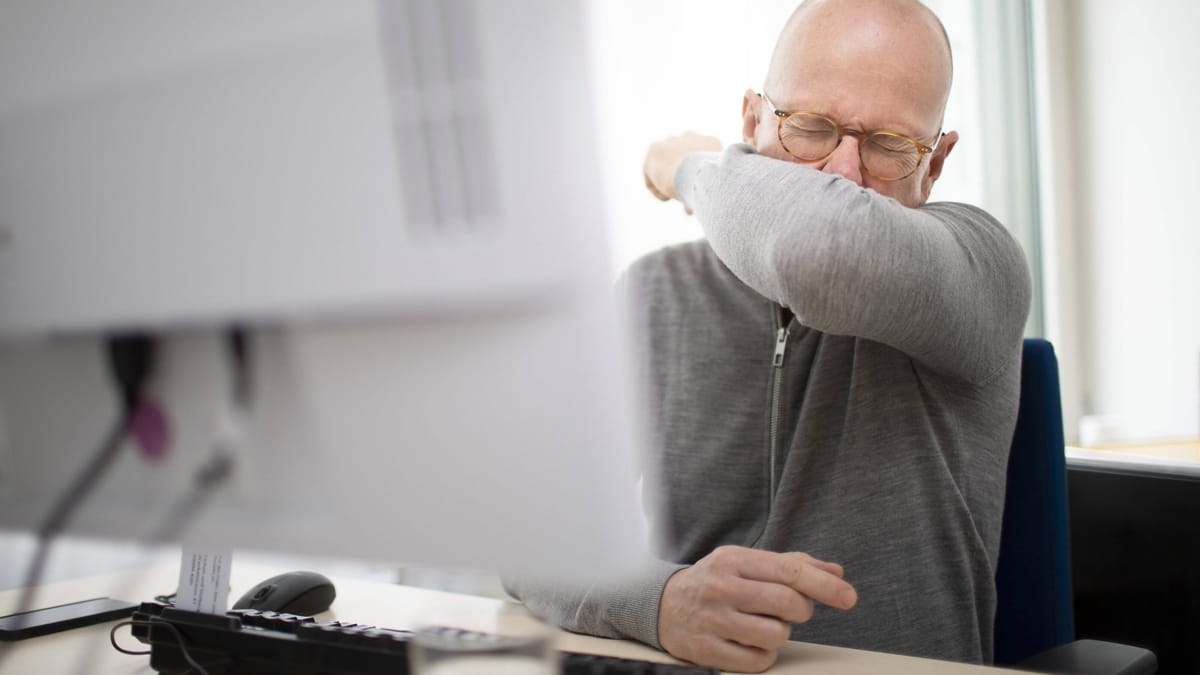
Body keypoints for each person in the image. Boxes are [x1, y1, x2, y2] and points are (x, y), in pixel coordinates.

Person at [505, 0, 1031, 671]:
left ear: (936, 162)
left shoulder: (982, 266)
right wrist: (661, 602)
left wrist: (689, 168)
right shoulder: (655, 291)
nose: (845, 175)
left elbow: (824, 245)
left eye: (891, 146)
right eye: (810, 128)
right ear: (751, 122)